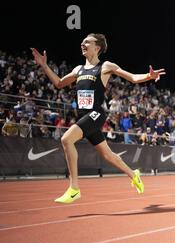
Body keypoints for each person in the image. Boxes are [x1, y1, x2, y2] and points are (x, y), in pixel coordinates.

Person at [31, 33, 166, 203]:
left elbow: (132, 78)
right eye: (82, 41)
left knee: (66, 139)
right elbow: (58, 84)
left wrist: (149, 76)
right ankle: (134, 175)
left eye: (87, 42)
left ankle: (74, 189)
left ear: (97, 47)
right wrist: (44, 66)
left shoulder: (105, 66)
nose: (82, 43)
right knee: (108, 155)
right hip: (84, 116)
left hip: (96, 114)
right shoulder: (78, 70)